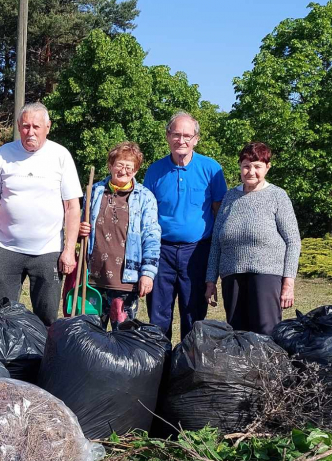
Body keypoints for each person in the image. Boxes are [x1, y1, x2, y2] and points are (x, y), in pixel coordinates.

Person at [0, 102, 82, 326]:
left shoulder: (60, 156)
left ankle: (43, 360)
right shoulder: (5, 153)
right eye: (25, 126)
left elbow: (72, 207)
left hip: (48, 252)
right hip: (6, 249)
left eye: (36, 126)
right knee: (0, 318)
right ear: (18, 126)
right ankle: (4, 360)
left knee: (47, 319)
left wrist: (69, 250)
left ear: (48, 127)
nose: (30, 132)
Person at [143, 112, 227, 339]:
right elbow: (146, 214)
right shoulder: (155, 170)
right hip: (162, 252)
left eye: (187, 136)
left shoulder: (211, 169)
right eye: (177, 134)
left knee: (193, 316)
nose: (182, 140)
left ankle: (189, 368)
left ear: (196, 139)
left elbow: (219, 212)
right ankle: (160, 366)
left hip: (197, 251)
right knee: (158, 316)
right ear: (168, 136)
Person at [205, 141, 300, 335]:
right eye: (246, 166)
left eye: (257, 166)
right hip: (232, 276)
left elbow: (293, 241)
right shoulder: (230, 197)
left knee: (266, 332)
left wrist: (288, 283)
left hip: (267, 275)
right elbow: (216, 242)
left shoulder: (277, 196)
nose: (251, 171)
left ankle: (269, 366)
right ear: (240, 166)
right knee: (238, 333)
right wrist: (210, 280)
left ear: (267, 167)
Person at [77, 141, 160, 328]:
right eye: (119, 165)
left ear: (136, 171)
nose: (123, 171)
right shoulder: (96, 191)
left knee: (122, 338)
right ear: (110, 166)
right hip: (93, 280)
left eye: (129, 167)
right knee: (90, 337)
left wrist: (147, 273)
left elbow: (152, 237)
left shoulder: (145, 197)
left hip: (125, 281)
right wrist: (80, 230)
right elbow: (82, 229)